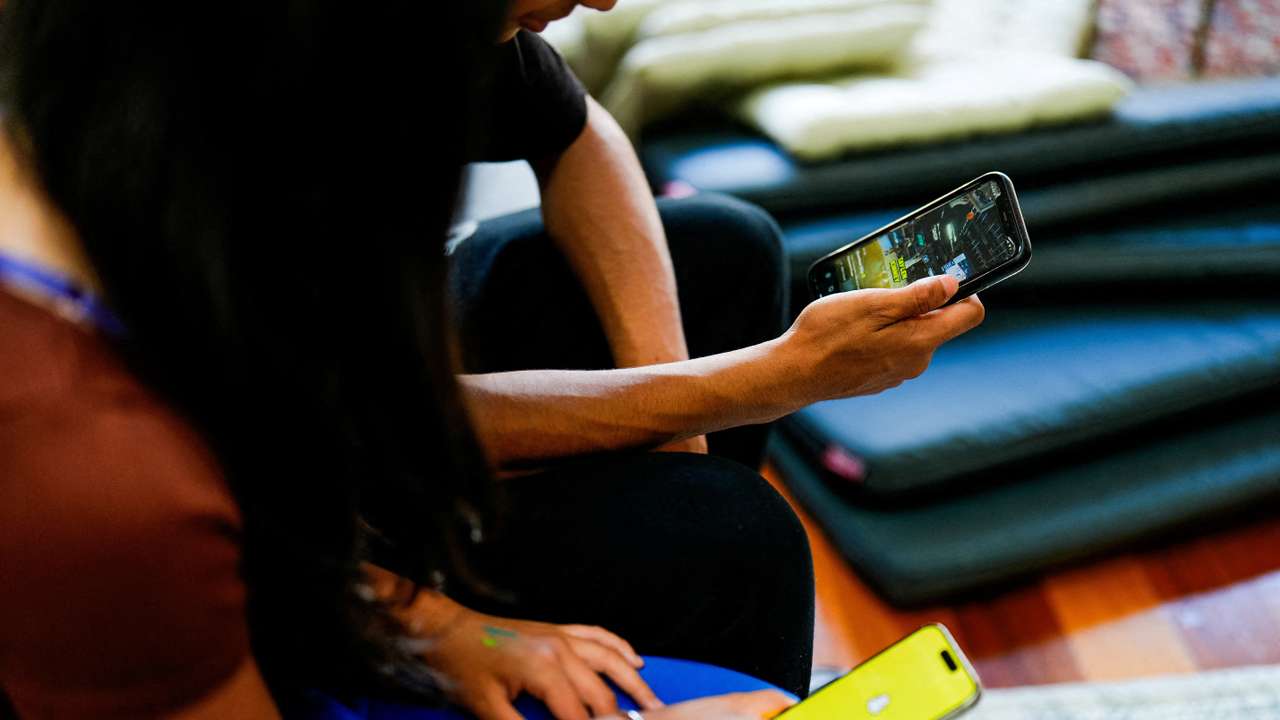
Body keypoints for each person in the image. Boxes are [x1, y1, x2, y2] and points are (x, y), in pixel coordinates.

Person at [0, 2, 983, 720]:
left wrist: (679, 426)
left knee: (722, 256)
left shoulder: (149, 132)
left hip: (291, 502)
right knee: (732, 539)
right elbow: (365, 427)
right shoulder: (100, 489)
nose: (601, 3)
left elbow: (572, 129)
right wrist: (758, 383)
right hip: (283, 533)